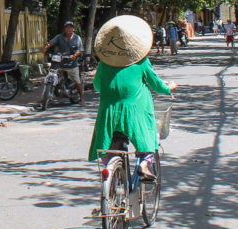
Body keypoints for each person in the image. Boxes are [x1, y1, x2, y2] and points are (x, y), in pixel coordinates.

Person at [89, 15, 178, 180]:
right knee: (149, 137)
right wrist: (168, 88)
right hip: (136, 112)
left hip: (109, 113)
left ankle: (111, 173)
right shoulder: (140, 62)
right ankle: (144, 165)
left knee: (110, 147)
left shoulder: (104, 63)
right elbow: (156, 84)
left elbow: (97, 86)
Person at [41, 20, 85, 105]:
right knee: (51, 74)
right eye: (67, 27)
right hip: (59, 62)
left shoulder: (77, 38)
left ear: (73, 29)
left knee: (77, 81)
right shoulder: (59, 37)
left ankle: (82, 99)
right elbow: (51, 43)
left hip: (72, 63)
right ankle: (47, 96)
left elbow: (80, 50)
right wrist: (45, 47)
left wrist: (74, 55)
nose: (68, 29)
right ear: (64, 29)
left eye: (70, 27)